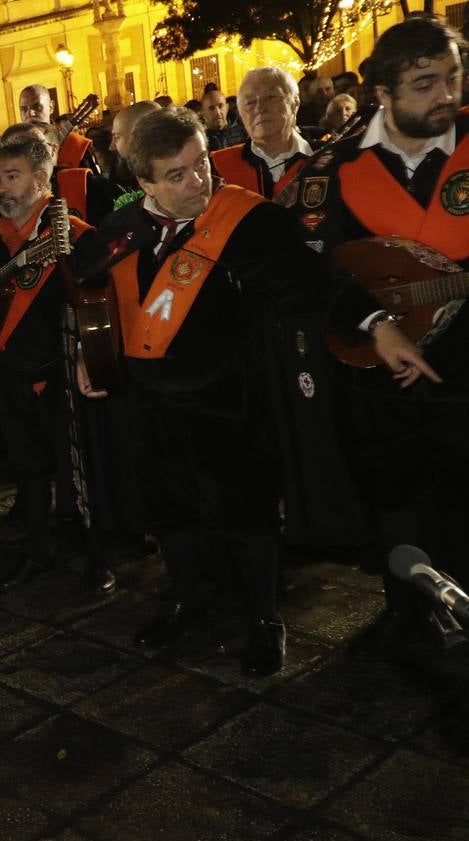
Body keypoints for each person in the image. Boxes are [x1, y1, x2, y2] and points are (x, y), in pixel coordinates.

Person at [74, 106, 351, 676]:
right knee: (169, 513)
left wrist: (374, 323)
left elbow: (312, 284)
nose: (198, 181)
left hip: (230, 403)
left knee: (246, 516)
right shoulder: (121, 229)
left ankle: (263, 618)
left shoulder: (249, 220)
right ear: (143, 183)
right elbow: (89, 287)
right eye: (176, 175)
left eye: (200, 163)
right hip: (149, 404)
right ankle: (188, 601)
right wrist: (88, 352)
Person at [295, 15, 469, 658]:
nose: (445, 95)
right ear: (384, 96)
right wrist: (379, 325)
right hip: (376, 373)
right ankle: (404, 613)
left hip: (465, 371)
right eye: (424, 84)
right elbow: (318, 270)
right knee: (391, 497)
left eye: (452, 78)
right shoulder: (334, 171)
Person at [0, 139, 112, 591]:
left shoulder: (76, 235)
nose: (3, 187)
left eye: (13, 176)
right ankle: (38, 551)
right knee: (27, 469)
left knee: (85, 465)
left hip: (66, 373)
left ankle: (99, 558)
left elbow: (98, 305)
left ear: (42, 179)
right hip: (10, 373)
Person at [211, 67, 314, 202]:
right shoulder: (218, 168)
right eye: (250, 102)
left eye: (271, 97)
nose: (260, 108)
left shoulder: (325, 158)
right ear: (241, 114)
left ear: (295, 102)